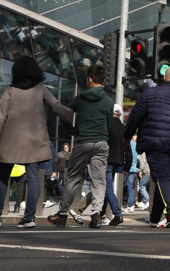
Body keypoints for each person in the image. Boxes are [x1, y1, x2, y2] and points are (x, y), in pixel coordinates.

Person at [0, 54, 73, 228]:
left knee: (3, 177)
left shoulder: (10, 90)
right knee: (33, 179)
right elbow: (56, 106)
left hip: (12, 141)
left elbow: (0, 116)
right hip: (35, 141)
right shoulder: (41, 89)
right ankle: (29, 218)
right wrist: (73, 118)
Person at [123, 62, 170, 228]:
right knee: (162, 178)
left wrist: (127, 137)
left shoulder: (149, 94)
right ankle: (155, 216)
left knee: (162, 178)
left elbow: (134, 118)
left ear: (165, 77)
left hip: (155, 143)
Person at [51, 61, 114, 228]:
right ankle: (96, 215)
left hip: (83, 141)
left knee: (73, 179)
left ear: (90, 79)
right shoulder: (108, 102)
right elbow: (109, 124)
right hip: (101, 142)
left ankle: (62, 215)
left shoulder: (80, 99)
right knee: (99, 180)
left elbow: (66, 113)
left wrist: (71, 130)